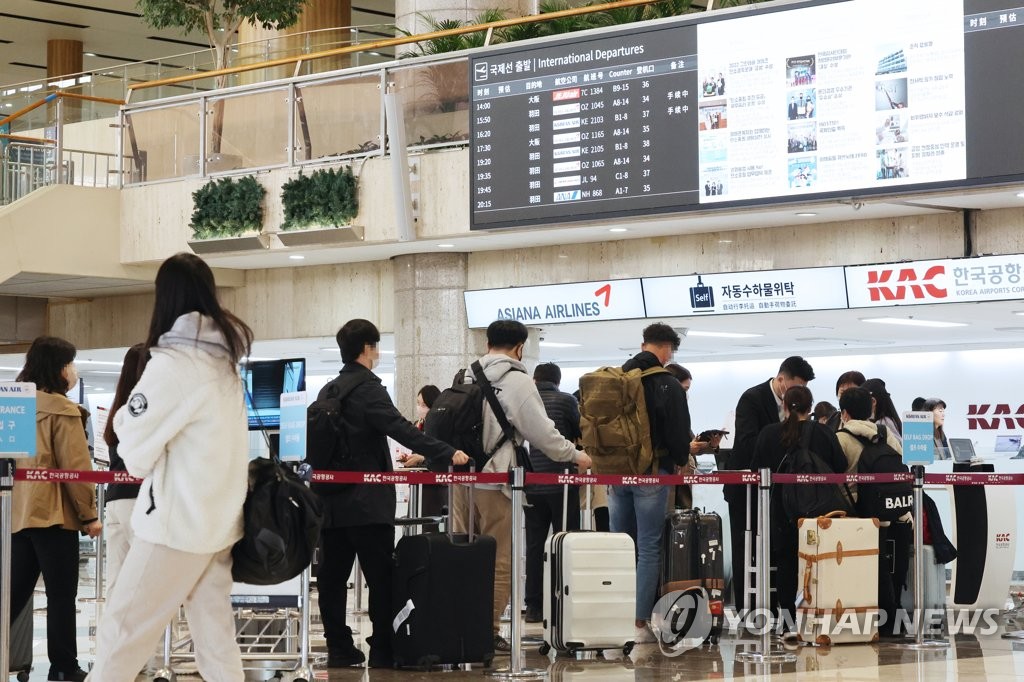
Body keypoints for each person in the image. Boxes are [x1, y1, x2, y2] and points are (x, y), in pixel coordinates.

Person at [89, 252, 254, 682]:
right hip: (218, 525)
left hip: (174, 528)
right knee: (215, 639)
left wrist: (124, 416)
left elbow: (136, 453)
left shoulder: (174, 365)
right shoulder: (225, 366)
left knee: (121, 633)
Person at [317, 319, 468, 668]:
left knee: (332, 580)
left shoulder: (330, 390)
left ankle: (339, 648)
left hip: (330, 502)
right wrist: (447, 452)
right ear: (369, 349)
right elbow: (402, 430)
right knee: (381, 578)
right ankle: (383, 648)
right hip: (367, 504)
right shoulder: (368, 389)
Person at [451, 320, 592, 652]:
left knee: (460, 553)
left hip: (460, 480)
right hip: (496, 480)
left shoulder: (465, 375)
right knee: (499, 558)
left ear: (488, 343)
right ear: (519, 348)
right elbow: (542, 434)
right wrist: (576, 455)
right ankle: (486, 630)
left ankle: (458, 622)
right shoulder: (517, 381)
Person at [10, 336, 101, 682]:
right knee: (62, 595)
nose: (73, 371)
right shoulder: (63, 410)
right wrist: (89, 516)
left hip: (17, 515)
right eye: (71, 363)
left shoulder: (14, 406)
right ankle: (63, 667)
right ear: (59, 367)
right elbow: (76, 470)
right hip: (54, 517)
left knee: (13, 595)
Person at [609, 323, 690, 642]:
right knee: (648, 545)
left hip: (616, 472)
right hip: (653, 472)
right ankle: (639, 621)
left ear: (643, 344)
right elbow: (677, 432)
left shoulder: (617, 378)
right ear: (667, 348)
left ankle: (616, 612)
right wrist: (681, 459)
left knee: (621, 545)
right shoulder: (666, 383)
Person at [751, 385, 847, 626]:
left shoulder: (769, 434)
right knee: (820, 560)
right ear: (811, 407)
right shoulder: (824, 433)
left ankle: (788, 621)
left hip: (781, 510)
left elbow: (756, 469)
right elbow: (840, 466)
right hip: (820, 509)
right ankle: (820, 617)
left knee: (786, 563)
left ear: (784, 405)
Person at [725, 356, 815, 611]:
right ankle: (749, 608)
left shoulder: (796, 404)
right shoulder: (752, 398)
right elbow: (747, 443)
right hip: (746, 490)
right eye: (794, 386)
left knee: (778, 548)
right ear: (781, 379)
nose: (796, 393)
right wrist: (780, 436)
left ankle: (776, 606)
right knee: (747, 548)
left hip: (780, 492)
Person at [836, 387, 910, 634]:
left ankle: (864, 621)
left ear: (844, 413)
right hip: (892, 509)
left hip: (859, 512)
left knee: (864, 568)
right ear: (870, 410)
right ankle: (891, 619)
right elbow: (901, 464)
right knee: (887, 566)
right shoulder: (885, 432)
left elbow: (837, 476)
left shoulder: (842, 438)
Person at [524, 362, 581, 624]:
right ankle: (562, 600)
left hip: (533, 482)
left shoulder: (527, 401)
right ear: (558, 381)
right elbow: (577, 432)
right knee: (565, 543)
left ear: (535, 379)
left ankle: (534, 606)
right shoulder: (567, 400)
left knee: (535, 545)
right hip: (563, 483)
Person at [102, 343, 148, 589]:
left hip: (115, 499)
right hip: (141, 498)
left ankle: (112, 628)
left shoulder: (118, 407)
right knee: (146, 579)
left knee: (117, 580)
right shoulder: (143, 408)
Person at [399, 384, 445, 518]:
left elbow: (442, 453)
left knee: (429, 526)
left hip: (434, 486)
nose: (419, 408)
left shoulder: (440, 426)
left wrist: (422, 458)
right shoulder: (418, 425)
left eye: (424, 405)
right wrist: (408, 457)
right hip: (417, 485)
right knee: (413, 519)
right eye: (418, 403)